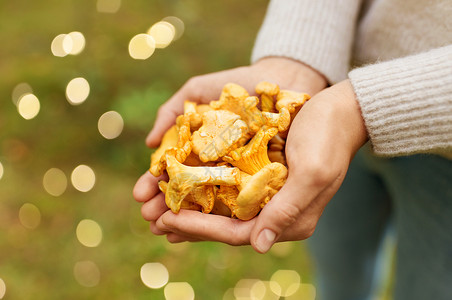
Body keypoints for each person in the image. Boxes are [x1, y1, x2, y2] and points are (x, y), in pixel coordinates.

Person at [133, 0, 452, 299]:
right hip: (323, 112)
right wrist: (297, 58)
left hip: (440, 153)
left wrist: (359, 108)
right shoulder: (299, 129)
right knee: (337, 258)